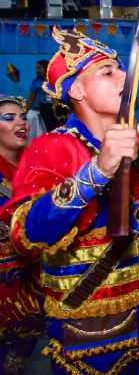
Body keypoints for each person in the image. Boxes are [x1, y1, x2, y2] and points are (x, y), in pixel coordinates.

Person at [2, 28, 139, 374]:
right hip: (87, 335)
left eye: (119, 68)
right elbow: (26, 232)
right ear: (77, 89)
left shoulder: (132, 144)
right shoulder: (52, 147)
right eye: (107, 71)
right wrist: (97, 171)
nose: (123, 74)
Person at [0, 95, 42, 374]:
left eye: (23, 117)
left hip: (37, 284)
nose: (21, 122)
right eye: (9, 118)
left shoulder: (38, 168)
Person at [26, 59, 58, 132]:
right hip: (43, 107)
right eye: (37, 68)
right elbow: (31, 98)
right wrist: (25, 111)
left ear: (46, 68)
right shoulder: (36, 82)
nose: (38, 70)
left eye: (40, 68)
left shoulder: (55, 80)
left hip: (56, 107)